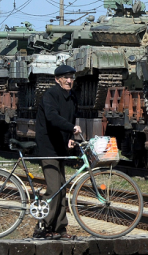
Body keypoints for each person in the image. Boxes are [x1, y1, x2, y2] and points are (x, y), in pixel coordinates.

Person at [33, 64, 82, 240]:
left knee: (62, 188)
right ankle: (43, 227)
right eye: (65, 78)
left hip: (60, 146)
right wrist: (72, 128)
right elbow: (52, 118)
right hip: (48, 146)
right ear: (57, 79)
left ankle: (60, 229)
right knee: (54, 188)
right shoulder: (50, 95)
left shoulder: (72, 97)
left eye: (72, 77)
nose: (69, 81)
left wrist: (70, 136)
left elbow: (70, 117)